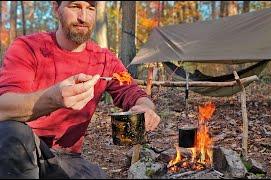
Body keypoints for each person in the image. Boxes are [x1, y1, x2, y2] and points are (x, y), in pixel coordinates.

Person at [0, 1, 160, 179]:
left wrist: (146, 108)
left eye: (90, 8)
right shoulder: (28, 48)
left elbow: (134, 93)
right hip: (24, 150)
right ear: (56, 8)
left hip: (68, 158)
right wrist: (53, 99)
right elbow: (3, 107)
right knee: (12, 132)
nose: (83, 17)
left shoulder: (104, 60)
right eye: (75, 6)